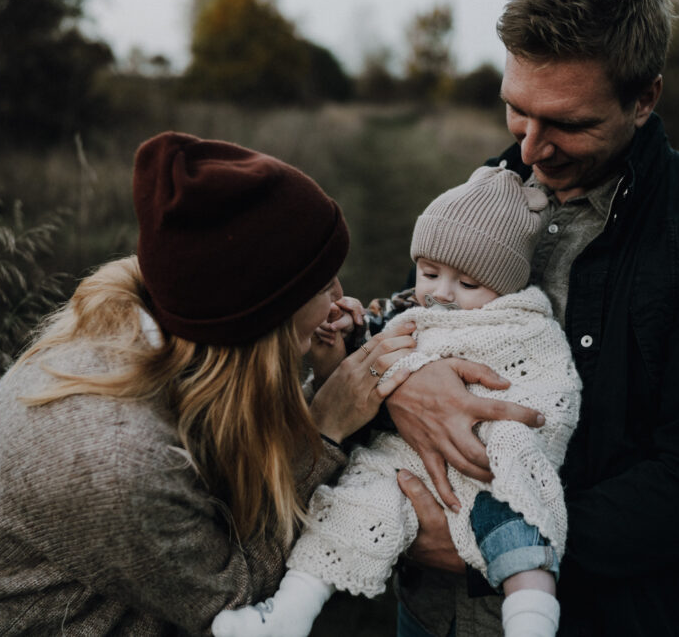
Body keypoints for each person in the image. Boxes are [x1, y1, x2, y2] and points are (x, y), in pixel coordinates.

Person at [0, 132, 418, 635]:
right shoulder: (114, 457)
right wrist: (325, 430)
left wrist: (319, 387)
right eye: (320, 284)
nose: (340, 296)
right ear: (257, 321)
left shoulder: (163, 332)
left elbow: (223, 470)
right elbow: (235, 600)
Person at [385, 0, 679, 635]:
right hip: (435, 617)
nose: (531, 150)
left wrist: (497, 548)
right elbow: (419, 315)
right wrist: (399, 385)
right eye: (517, 110)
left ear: (643, 99)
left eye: (568, 123)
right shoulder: (490, 185)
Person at [212, 164, 581, 637]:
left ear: (506, 286)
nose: (442, 294)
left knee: (524, 525)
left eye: (468, 284)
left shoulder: (524, 326)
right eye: (429, 273)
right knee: (347, 509)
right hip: (404, 462)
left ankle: (531, 624)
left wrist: (509, 436)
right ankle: (286, 615)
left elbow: (551, 393)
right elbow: (373, 355)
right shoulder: (406, 312)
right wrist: (349, 336)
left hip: (489, 459)